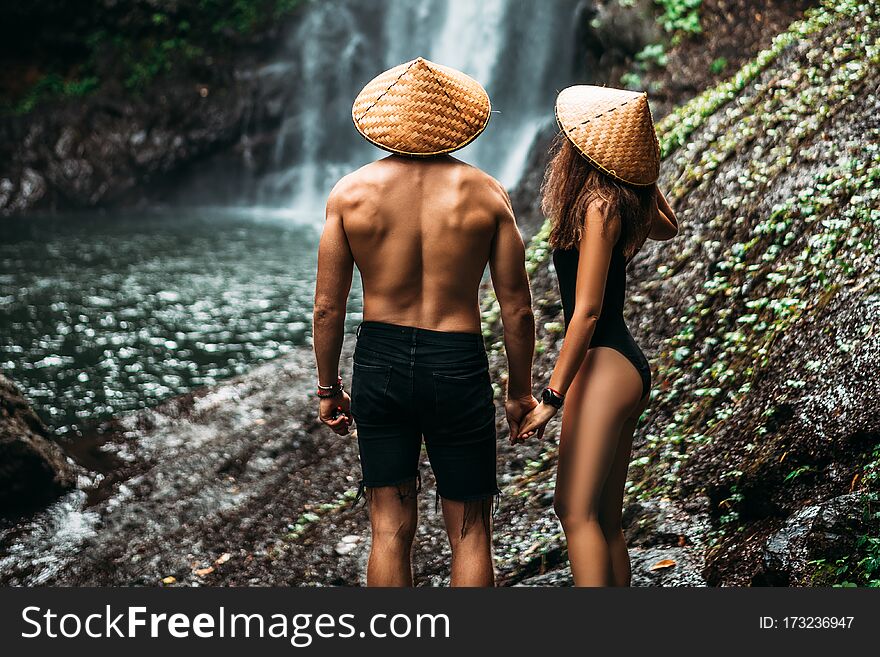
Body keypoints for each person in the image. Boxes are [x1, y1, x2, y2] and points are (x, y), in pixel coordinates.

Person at [312, 57, 537, 587]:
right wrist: (519, 392)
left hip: (381, 361)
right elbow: (518, 308)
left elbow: (328, 306)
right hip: (456, 362)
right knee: (472, 532)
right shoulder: (485, 193)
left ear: (383, 122)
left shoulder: (350, 194)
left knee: (388, 528)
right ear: (455, 123)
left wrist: (328, 387)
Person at [515, 86, 678, 586]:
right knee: (605, 519)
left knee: (575, 512)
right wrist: (642, 174)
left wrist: (550, 397)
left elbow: (585, 312)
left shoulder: (597, 205)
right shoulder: (621, 200)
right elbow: (669, 227)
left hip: (603, 363)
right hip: (627, 365)